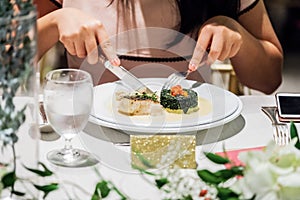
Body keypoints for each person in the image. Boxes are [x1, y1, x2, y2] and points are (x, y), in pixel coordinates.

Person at [35, 0, 283, 94]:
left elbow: (269, 80)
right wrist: (54, 22)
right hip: (89, 143)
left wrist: (235, 32)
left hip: (190, 139)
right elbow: (8, 65)